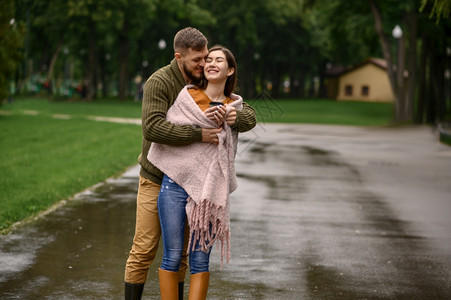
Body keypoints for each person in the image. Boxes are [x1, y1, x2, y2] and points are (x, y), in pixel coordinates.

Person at [124, 28, 257, 300]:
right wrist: (198, 134)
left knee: (185, 255)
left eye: (207, 57)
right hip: (157, 177)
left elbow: (247, 115)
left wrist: (234, 119)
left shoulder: (202, 85)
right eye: (198, 60)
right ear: (179, 57)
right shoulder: (160, 82)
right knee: (145, 248)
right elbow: (152, 128)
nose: (204, 63)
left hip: (195, 185)